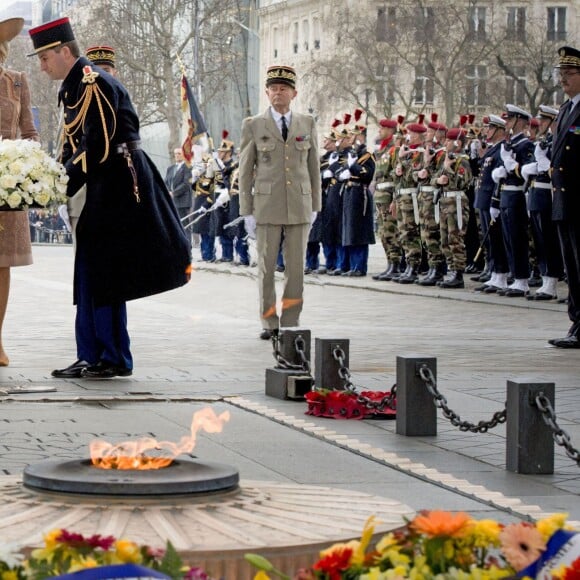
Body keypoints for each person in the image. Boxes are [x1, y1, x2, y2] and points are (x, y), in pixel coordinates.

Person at [29, 17, 191, 378]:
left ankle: (114, 356)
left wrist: (60, 182)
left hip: (120, 183)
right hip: (102, 184)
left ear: (64, 51)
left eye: (44, 58)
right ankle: (90, 352)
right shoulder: (73, 85)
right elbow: (71, 145)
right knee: (89, 269)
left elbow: (98, 147)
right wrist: (50, 181)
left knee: (107, 271)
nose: (41, 67)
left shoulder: (93, 83)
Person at [238, 64, 321, 340]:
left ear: (293, 93)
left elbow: (313, 167)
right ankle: (269, 322)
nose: (278, 94)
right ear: (266, 92)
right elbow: (245, 169)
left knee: (296, 269)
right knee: (266, 267)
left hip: (299, 203)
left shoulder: (307, 123)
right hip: (266, 205)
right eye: (273, 89)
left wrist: (315, 205)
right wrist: (246, 211)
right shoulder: (254, 124)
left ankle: (291, 320)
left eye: (283, 89)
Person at [0, 17, 40, 367]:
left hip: (6, 191)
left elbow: (29, 131)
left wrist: (24, 161)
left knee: (1, 265)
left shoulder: (16, 82)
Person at [548, 46, 580, 348]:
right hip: (563, 201)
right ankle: (576, 323)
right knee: (571, 266)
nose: (563, 80)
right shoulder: (566, 109)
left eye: (569, 74)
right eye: (561, 74)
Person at [165, 147, 193, 224]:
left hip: (183, 202)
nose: (177, 155)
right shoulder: (170, 168)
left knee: (185, 225)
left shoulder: (188, 167)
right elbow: (166, 182)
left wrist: (173, 193)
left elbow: (186, 184)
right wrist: (167, 191)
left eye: (179, 153)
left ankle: (187, 237)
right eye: (175, 154)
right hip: (171, 201)